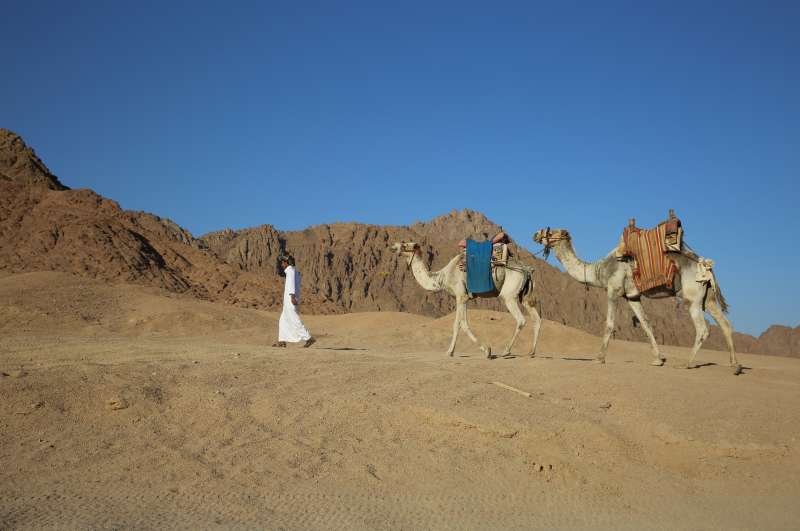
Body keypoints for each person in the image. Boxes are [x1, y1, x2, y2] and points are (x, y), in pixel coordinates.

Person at [273, 254, 315, 348]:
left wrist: (292, 297)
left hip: (290, 300)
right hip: (289, 300)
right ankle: (282, 341)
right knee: (283, 320)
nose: (281, 264)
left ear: (286, 262)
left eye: (283, 262)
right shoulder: (293, 271)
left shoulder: (291, 271)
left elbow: (291, 284)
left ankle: (308, 338)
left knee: (294, 319)